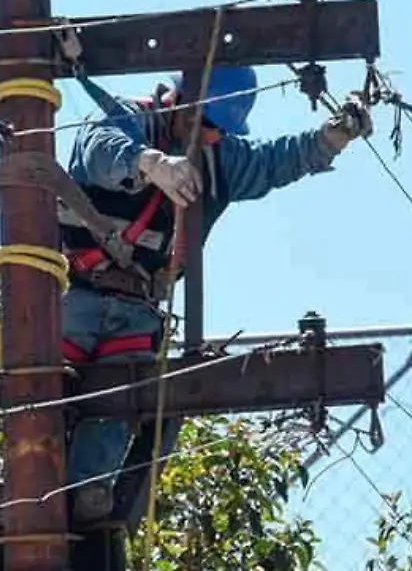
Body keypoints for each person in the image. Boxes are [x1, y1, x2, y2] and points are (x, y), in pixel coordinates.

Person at [52, 64, 372, 527]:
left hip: (138, 308)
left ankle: (85, 499)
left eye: (221, 130)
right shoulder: (127, 119)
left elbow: (274, 161)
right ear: (178, 102)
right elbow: (98, 150)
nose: (210, 136)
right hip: (75, 294)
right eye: (205, 123)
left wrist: (333, 136)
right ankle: (26, 489)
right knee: (41, 390)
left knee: (116, 401)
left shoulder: (219, 157)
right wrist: (152, 164)